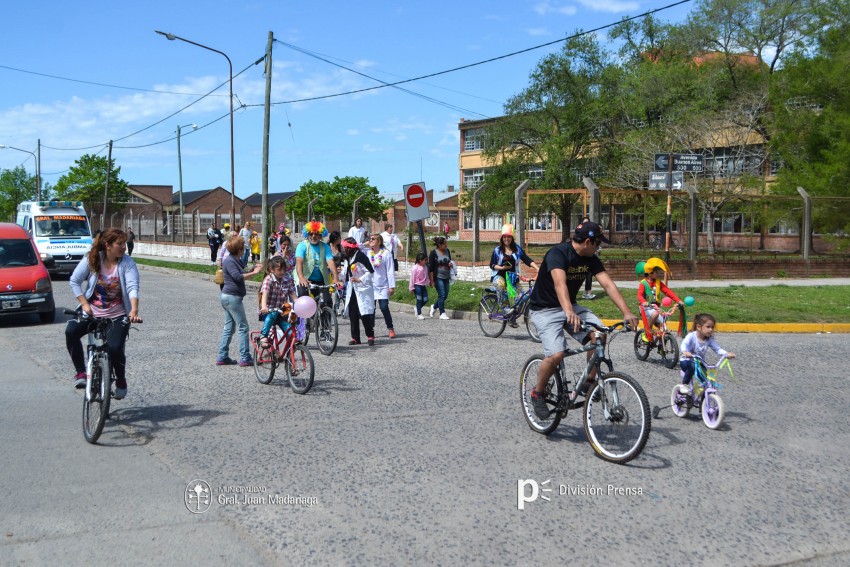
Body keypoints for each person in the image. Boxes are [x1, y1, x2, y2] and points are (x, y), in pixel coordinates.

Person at [527, 221, 639, 420]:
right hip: (545, 310)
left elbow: (608, 285)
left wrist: (627, 312)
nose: (599, 247)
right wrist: (569, 311)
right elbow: (560, 285)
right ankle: (537, 393)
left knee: (600, 334)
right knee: (556, 354)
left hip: (570, 307)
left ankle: (588, 383)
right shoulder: (558, 254)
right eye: (598, 243)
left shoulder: (591, 258)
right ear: (588, 241)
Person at [66, 228, 142, 399]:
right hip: (91, 311)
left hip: (117, 314)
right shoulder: (92, 259)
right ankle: (80, 373)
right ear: (107, 245)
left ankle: (120, 379)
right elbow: (75, 281)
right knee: (71, 332)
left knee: (115, 348)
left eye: (124, 243)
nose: (124, 247)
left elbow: (132, 287)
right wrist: (84, 304)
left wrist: (134, 310)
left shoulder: (127, 263)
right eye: (119, 244)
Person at [217, 235, 263, 366]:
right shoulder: (230, 261)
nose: (244, 249)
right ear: (239, 249)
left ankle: (222, 356)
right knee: (243, 327)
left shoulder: (234, 260)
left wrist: (253, 269)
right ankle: (245, 357)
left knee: (229, 328)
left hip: (229, 297)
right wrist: (254, 273)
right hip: (232, 298)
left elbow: (240, 272)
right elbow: (238, 277)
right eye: (243, 247)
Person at [489, 224, 539, 318]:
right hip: (499, 276)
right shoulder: (497, 250)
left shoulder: (517, 249)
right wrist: (502, 268)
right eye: (505, 237)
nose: (506, 239)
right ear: (502, 238)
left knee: (523, 297)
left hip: (512, 278)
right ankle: (505, 309)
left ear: (512, 238)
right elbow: (492, 265)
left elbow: (527, 260)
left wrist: (538, 268)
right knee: (500, 284)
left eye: (509, 237)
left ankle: (513, 316)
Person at [680, 313, 736, 392]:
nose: (711, 330)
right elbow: (684, 344)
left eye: (712, 327)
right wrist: (685, 351)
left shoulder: (709, 339)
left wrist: (726, 354)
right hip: (686, 361)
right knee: (691, 366)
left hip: (699, 363)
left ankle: (705, 399)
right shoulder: (691, 336)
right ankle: (684, 384)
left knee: (708, 379)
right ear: (699, 327)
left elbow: (717, 349)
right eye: (708, 327)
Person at [294, 221, 340, 307]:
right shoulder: (302, 245)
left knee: (327, 302)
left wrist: (336, 278)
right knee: (304, 299)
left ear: (321, 235)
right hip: (305, 278)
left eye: (317, 234)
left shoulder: (325, 246)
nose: (313, 236)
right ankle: (305, 319)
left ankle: (326, 319)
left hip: (321, 279)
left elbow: (330, 261)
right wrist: (301, 277)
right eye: (311, 234)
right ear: (307, 234)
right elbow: (299, 261)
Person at [340, 237, 376, 345]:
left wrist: (359, 279)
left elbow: (370, 272)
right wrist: (338, 274)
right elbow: (346, 272)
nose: (344, 250)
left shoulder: (361, 257)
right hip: (353, 289)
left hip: (362, 288)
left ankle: (370, 336)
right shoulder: (348, 258)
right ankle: (355, 337)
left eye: (345, 248)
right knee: (353, 313)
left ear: (350, 248)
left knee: (364, 313)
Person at [637, 258, 683, 341]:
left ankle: (661, 346)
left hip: (656, 308)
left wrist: (678, 300)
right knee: (655, 314)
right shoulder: (643, 283)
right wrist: (644, 302)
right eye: (656, 272)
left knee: (663, 328)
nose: (658, 273)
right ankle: (646, 332)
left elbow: (667, 291)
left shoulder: (658, 282)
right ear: (650, 273)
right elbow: (639, 295)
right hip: (645, 308)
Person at [257, 255, 297, 349]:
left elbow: (293, 295)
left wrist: (300, 305)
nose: (282, 272)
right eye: (279, 270)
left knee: (291, 322)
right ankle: (263, 336)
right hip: (269, 310)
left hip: (282, 310)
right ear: (272, 269)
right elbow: (264, 294)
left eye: (284, 269)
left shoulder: (287, 280)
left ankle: (290, 347)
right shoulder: (269, 279)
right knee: (273, 314)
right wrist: (264, 306)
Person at [368, 233, 397, 338]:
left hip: (383, 285)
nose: (370, 240)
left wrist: (391, 286)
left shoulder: (386, 254)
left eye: (373, 239)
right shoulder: (368, 253)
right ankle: (370, 331)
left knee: (384, 307)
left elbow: (390, 271)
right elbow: (358, 246)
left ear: (379, 241)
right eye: (369, 239)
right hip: (371, 286)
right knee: (371, 309)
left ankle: (390, 328)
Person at [428, 236, 454, 320]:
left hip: (446, 276)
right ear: (439, 244)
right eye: (444, 243)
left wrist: (450, 265)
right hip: (438, 277)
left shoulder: (447, 251)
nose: (446, 245)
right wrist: (432, 280)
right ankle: (442, 313)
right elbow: (431, 268)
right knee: (442, 294)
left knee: (445, 295)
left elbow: (449, 261)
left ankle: (434, 306)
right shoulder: (433, 253)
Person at [409, 252, 429, 319]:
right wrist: (411, 288)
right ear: (420, 260)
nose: (426, 262)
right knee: (419, 299)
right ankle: (419, 314)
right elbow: (412, 278)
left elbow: (426, 275)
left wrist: (428, 282)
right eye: (425, 260)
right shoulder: (415, 268)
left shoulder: (425, 267)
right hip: (417, 285)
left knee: (425, 299)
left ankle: (417, 308)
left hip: (423, 285)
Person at [580, 216, 595, 300]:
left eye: (588, 222)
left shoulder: (591, 232)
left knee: (589, 273)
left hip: (588, 255)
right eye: (585, 222)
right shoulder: (579, 232)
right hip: (580, 256)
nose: (586, 224)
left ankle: (588, 291)